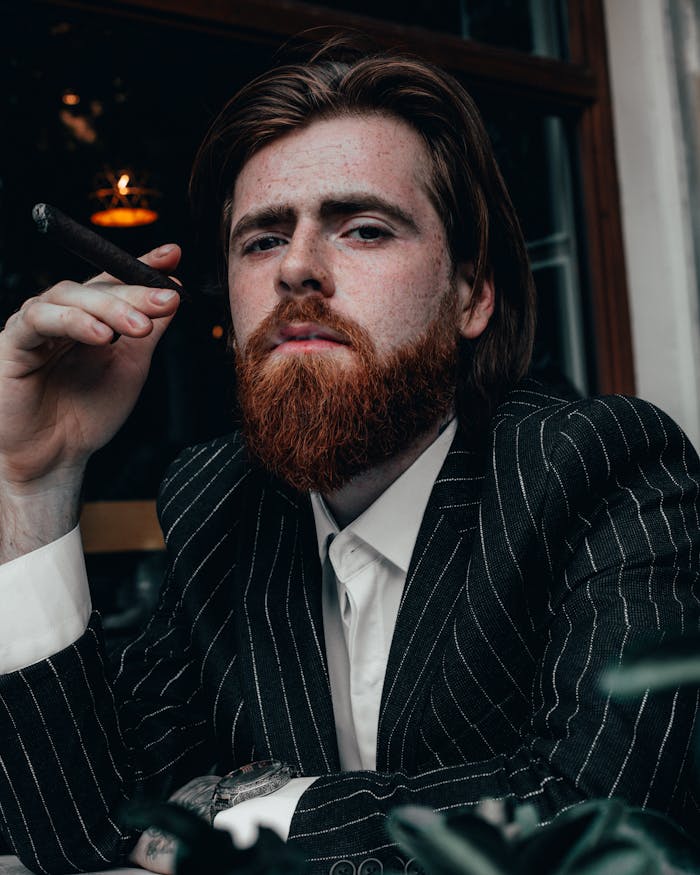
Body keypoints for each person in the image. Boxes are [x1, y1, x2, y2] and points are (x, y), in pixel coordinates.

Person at [0, 36, 699, 875]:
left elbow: (604, 822)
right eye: (262, 240)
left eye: (364, 229)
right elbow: (88, 828)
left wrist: (244, 809)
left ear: (471, 295)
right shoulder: (215, 502)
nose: (297, 267)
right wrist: (32, 481)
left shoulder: (602, 468)